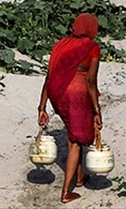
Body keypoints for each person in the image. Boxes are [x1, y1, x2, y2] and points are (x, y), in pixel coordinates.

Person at [38, 13, 103, 204]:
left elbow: (49, 77)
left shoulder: (61, 45)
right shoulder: (92, 48)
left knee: (73, 132)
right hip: (76, 96)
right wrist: (97, 109)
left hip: (57, 95)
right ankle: (66, 192)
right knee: (75, 141)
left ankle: (80, 177)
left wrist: (41, 107)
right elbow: (91, 82)